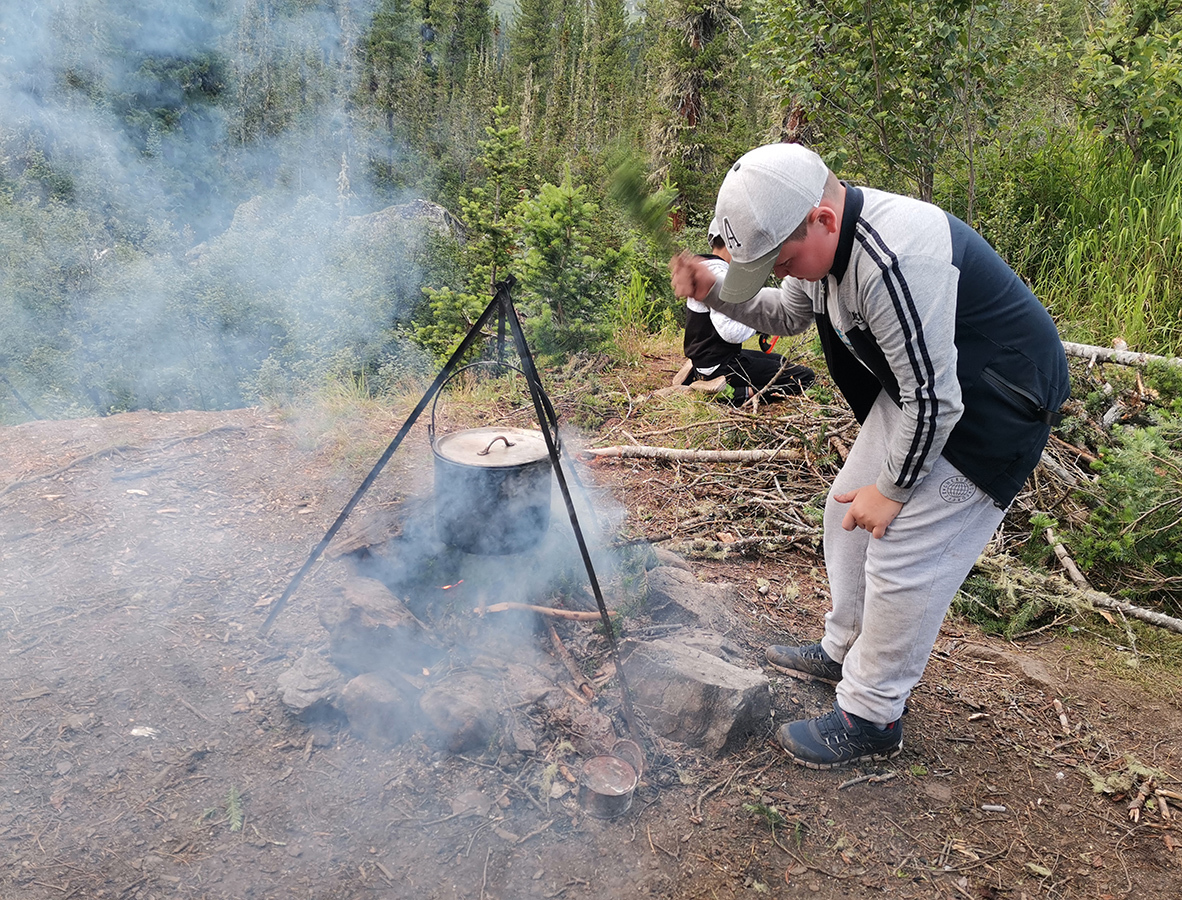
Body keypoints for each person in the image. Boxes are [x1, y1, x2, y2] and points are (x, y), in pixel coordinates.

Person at [669, 142, 1070, 768]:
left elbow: (936, 400)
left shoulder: (893, 258)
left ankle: (872, 716)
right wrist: (716, 293)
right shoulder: (823, 253)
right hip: (926, 394)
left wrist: (896, 489)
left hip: (995, 405)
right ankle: (845, 649)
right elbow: (788, 313)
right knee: (845, 512)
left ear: (822, 220)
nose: (787, 271)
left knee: (902, 553)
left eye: (784, 258)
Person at [679, 219, 814, 404]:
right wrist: (759, 326)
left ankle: (700, 376)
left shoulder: (706, 268)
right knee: (804, 377)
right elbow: (730, 332)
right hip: (720, 365)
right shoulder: (721, 275)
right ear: (734, 243)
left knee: (781, 363)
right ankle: (732, 394)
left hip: (709, 360)